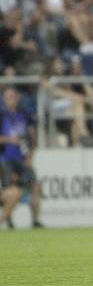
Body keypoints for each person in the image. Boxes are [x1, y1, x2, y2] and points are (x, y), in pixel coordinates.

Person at [0, 87, 44, 229]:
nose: (11, 100)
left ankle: (35, 220)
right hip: (6, 159)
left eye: (13, 97)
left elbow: (32, 139)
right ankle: (9, 220)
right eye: (8, 97)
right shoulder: (1, 116)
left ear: (17, 98)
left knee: (35, 185)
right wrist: (10, 139)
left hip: (23, 159)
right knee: (10, 188)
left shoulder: (24, 115)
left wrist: (30, 157)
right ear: (4, 99)